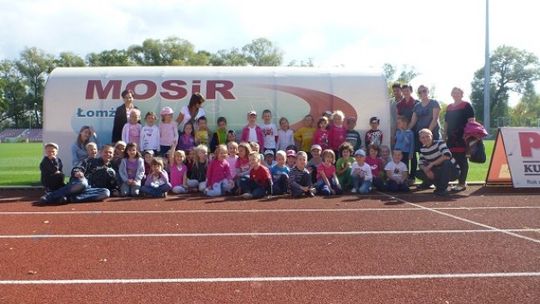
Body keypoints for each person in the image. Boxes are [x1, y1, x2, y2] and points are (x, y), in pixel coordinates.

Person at [444, 87, 475, 192]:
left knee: (462, 160)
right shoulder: (449, 107)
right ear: (451, 95)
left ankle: (462, 183)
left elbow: (471, 122)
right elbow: (446, 123)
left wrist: (468, 135)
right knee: (451, 160)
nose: (455, 95)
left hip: (462, 137)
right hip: (451, 138)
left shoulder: (467, 106)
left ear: (462, 94)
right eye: (454, 93)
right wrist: (444, 135)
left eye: (458, 93)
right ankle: (449, 182)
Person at [416, 128, 460, 196]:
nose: (425, 139)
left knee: (446, 162)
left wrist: (432, 164)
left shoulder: (440, 143)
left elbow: (447, 156)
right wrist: (426, 170)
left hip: (453, 171)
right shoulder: (422, 149)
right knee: (418, 173)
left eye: (427, 136)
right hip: (438, 171)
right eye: (423, 137)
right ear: (420, 139)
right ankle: (434, 185)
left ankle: (442, 189)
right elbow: (421, 163)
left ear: (432, 136)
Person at [39, 164, 110, 204]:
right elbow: (77, 168)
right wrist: (77, 172)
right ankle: (50, 196)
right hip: (79, 182)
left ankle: (70, 198)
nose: (108, 154)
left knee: (106, 192)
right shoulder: (87, 161)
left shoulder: (111, 166)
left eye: (110, 152)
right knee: (83, 183)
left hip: (89, 189)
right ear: (100, 152)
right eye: (106, 152)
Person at [409, 85, 441, 150]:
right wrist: (405, 131)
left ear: (428, 91)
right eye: (419, 92)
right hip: (421, 136)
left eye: (424, 91)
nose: (422, 93)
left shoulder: (434, 103)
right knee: (423, 156)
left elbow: (435, 119)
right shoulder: (417, 106)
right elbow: (412, 122)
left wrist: (427, 134)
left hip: (432, 134)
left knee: (434, 154)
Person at [395, 116, 415, 183]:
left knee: (405, 166)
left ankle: (405, 179)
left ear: (404, 123)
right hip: (398, 152)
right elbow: (399, 139)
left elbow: (411, 144)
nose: (397, 124)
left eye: (399, 123)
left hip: (406, 152)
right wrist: (402, 131)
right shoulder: (398, 132)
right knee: (397, 165)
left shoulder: (410, 132)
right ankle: (397, 178)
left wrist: (411, 153)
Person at [389, 83, 403, 147]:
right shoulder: (390, 101)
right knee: (393, 145)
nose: (396, 92)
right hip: (393, 128)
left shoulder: (405, 100)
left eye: (397, 90)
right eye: (394, 91)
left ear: (401, 90)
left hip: (403, 128)